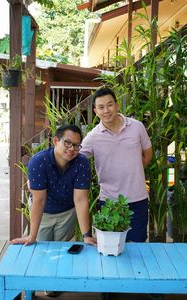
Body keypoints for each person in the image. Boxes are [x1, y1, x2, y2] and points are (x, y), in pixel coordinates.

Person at [10, 124, 96, 296]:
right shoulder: (38, 161)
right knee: (36, 249)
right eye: (67, 143)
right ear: (56, 141)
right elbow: (39, 200)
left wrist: (87, 235)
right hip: (44, 212)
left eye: (76, 145)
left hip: (67, 212)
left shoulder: (82, 163)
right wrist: (32, 235)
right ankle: (29, 289)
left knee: (60, 252)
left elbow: (80, 199)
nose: (72, 149)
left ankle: (52, 285)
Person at [80, 87, 153, 243]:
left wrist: (134, 171)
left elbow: (148, 155)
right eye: (101, 107)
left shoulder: (137, 126)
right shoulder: (92, 137)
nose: (106, 110)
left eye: (110, 104)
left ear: (117, 105)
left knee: (138, 247)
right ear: (95, 111)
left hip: (138, 199)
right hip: (109, 202)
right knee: (110, 247)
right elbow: (76, 158)